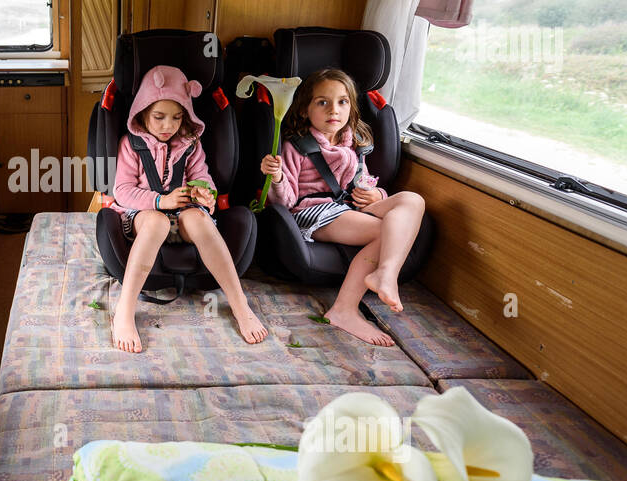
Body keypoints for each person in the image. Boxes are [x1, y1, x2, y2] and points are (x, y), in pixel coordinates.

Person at [260, 68, 426, 346]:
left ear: (351, 106)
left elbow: (364, 181)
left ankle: (386, 271)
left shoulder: (355, 143)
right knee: (384, 232)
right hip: (315, 213)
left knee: (413, 200)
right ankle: (345, 309)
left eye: (342, 102)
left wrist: (377, 196)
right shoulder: (296, 147)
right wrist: (276, 178)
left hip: (349, 207)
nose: (333, 110)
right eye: (322, 102)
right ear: (304, 109)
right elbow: (285, 203)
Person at [110, 65, 268, 353]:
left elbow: (203, 177)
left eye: (177, 117)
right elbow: (121, 191)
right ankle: (125, 310)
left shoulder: (191, 144)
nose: (167, 125)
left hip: (183, 214)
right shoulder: (131, 145)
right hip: (144, 215)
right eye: (159, 117)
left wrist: (204, 193)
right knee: (157, 222)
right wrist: (160, 201)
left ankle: (239, 304)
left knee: (199, 219)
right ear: (143, 113)